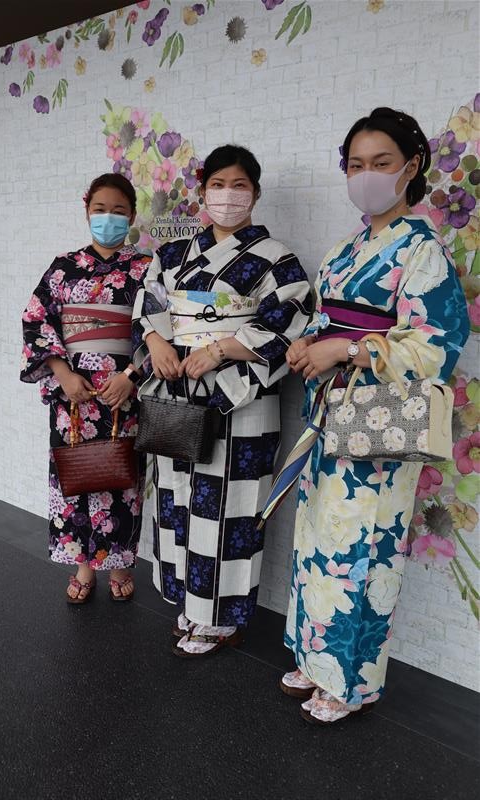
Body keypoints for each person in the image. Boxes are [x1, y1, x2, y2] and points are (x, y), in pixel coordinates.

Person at [281, 107, 470, 723]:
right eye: (356, 164)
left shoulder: (423, 250)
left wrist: (350, 349)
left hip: (381, 418)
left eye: (381, 162)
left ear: (410, 167)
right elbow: (325, 317)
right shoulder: (345, 250)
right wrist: (308, 343)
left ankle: (350, 681)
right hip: (332, 409)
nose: (367, 174)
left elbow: (437, 343)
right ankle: (313, 657)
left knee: (362, 548)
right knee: (319, 535)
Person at [132, 145, 312, 656]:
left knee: (230, 507)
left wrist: (219, 350)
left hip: (241, 400)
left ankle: (220, 618)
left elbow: (291, 319)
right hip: (180, 392)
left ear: (255, 193)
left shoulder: (277, 259)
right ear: (202, 191)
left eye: (239, 186)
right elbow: (150, 301)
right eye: (218, 184)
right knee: (178, 499)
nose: (227, 195)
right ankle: (189, 602)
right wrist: (157, 342)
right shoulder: (173, 253)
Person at [21, 173, 150, 603]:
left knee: (122, 480)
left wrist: (131, 376)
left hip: (122, 393)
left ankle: (120, 563)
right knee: (75, 477)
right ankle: (83, 565)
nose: (108, 218)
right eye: (100, 210)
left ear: (132, 215)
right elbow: (37, 319)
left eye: (118, 211)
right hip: (73, 394)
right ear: (87, 211)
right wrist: (62, 373)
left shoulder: (147, 269)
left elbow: (160, 331)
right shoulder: (63, 267)